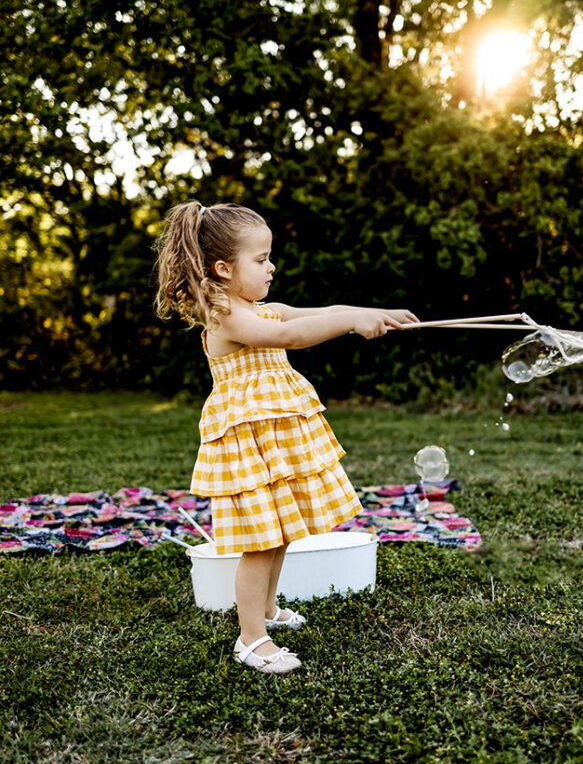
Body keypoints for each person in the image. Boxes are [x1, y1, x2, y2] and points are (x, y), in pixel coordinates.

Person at [154, 200, 418, 675]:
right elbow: (291, 339)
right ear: (222, 268)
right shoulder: (226, 317)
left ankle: (269, 609)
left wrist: (370, 312)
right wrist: (350, 324)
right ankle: (251, 638)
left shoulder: (261, 308)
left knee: (279, 534)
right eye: (260, 259)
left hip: (273, 437)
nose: (271, 266)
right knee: (260, 541)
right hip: (249, 442)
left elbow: (316, 314)